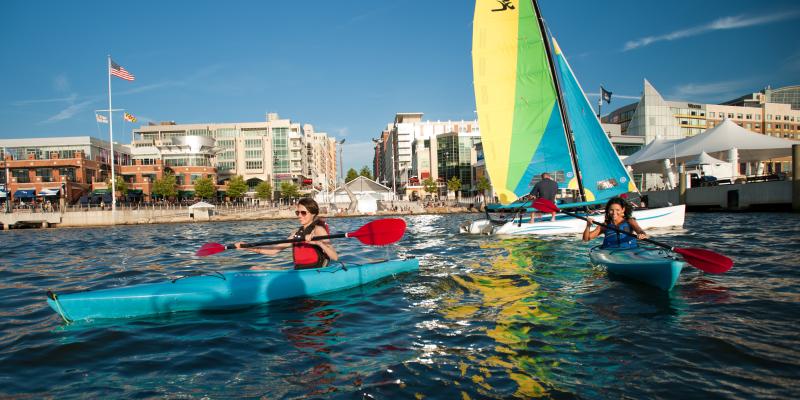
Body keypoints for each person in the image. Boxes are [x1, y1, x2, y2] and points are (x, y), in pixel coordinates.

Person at [235, 198, 338, 269]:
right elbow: (273, 251)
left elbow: (334, 257)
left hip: (315, 271)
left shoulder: (318, 230)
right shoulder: (296, 234)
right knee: (255, 268)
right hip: (298, 271)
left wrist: (318, 243)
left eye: (303, 213)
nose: (299, 216)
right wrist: (247, 247)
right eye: (297, 212)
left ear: (313, 214)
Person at [583, 196, 647, 249]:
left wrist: (642, 234)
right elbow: (586, 239)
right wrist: (588, 226)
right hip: (611, 254)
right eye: (611, 210)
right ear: (608, 210)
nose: (614, 213)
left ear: (623, 210)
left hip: (629, 252)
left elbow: (639, 230)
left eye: (617, 210)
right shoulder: (605, 225)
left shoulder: (630, 221)